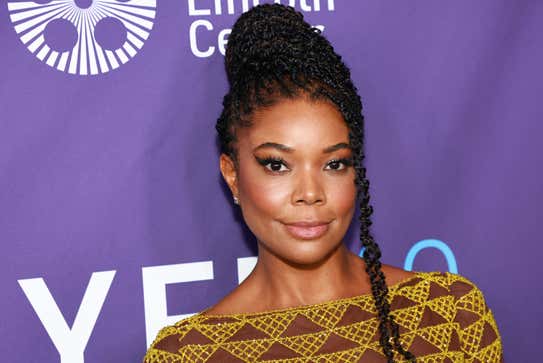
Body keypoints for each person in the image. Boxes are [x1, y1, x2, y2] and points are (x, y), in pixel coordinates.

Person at [143, 4, 503, 363]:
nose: (311, 193)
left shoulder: (451, 313)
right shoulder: (188, 354)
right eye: (277, 165)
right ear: (233, 176)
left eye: (334, 164)